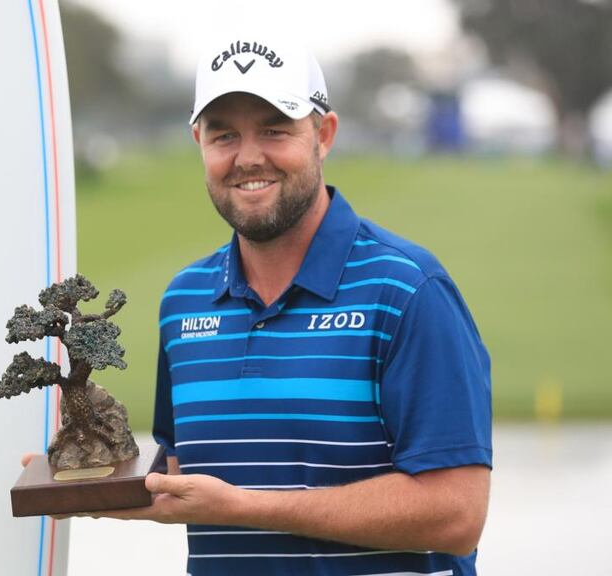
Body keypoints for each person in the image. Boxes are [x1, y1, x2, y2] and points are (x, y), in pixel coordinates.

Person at [89, 32, 493, 575]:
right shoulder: (183, 302)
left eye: (275, 130)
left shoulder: (407, 290)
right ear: (198, 142)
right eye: (224, 134)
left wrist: (247, 508)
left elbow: (456, 514)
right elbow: (185, 470)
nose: (248, 158)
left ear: (323, 135)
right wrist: (87, 478)